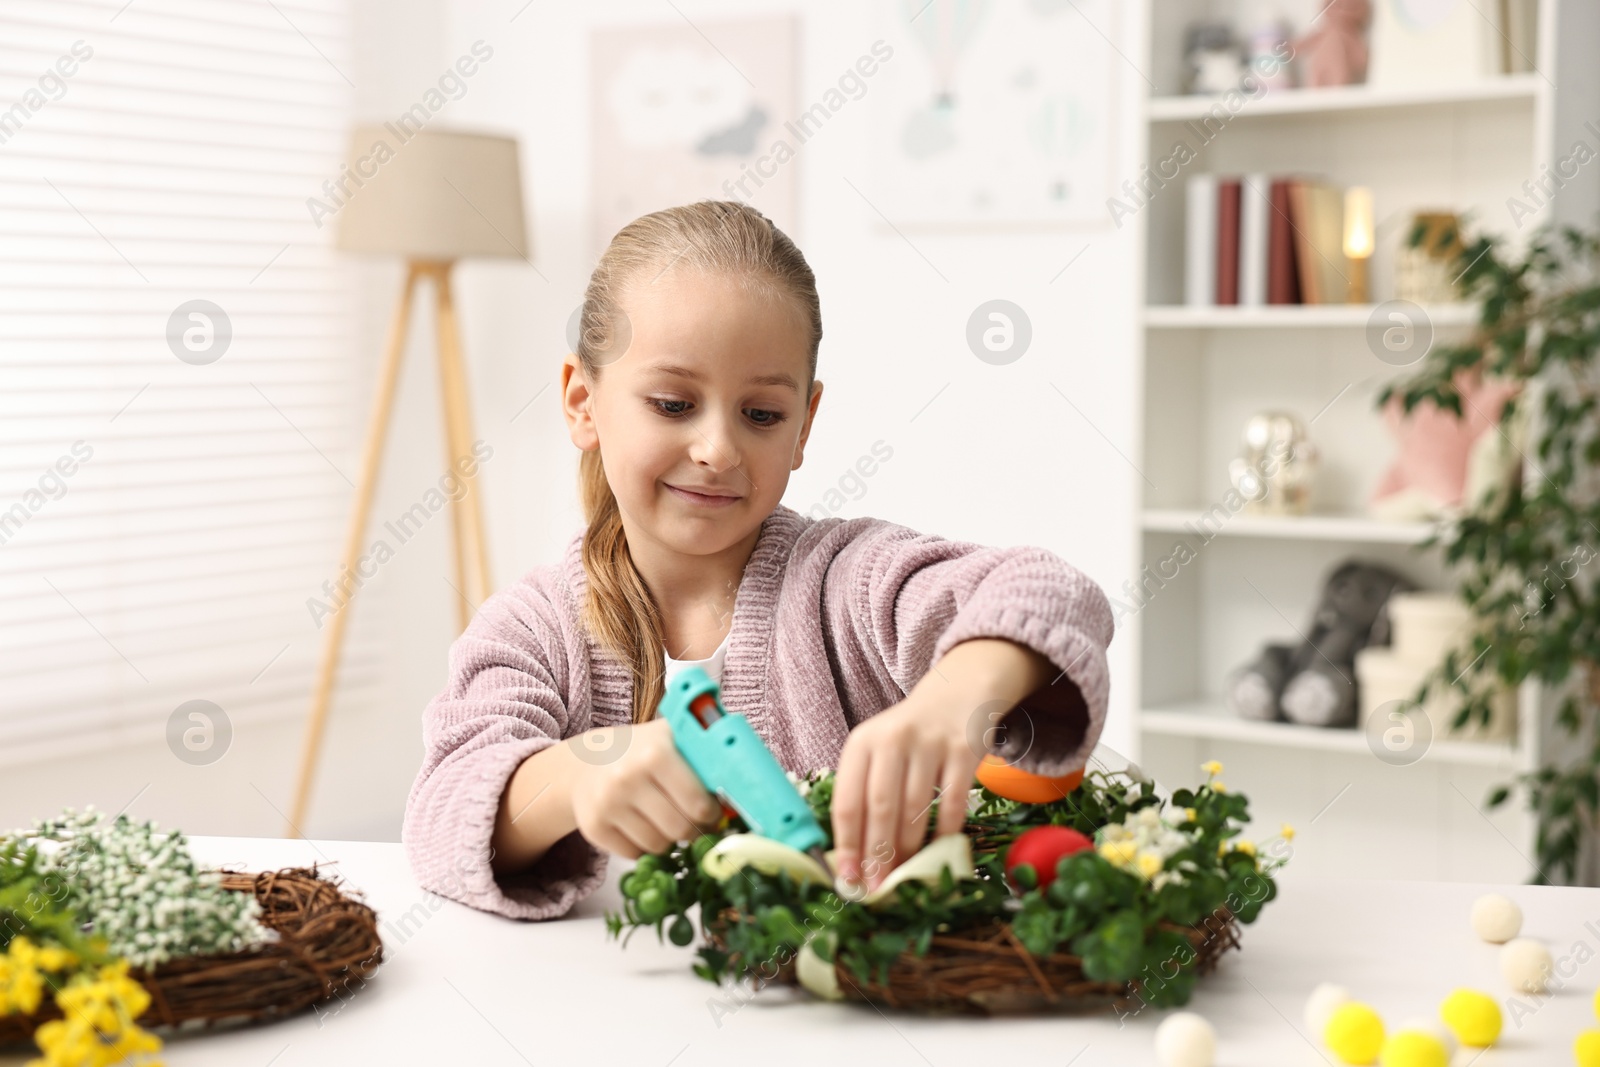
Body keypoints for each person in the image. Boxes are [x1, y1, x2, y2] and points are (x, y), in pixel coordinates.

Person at [401, 200, 1114, 921]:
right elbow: (439, 813)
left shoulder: (844, 579)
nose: (718, 448)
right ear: (583, 401)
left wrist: (953, 696)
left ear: (803, 425)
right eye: (674, 403)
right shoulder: (534, 627)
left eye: (762, 414)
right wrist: (580, 776)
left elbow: (1047, 590)